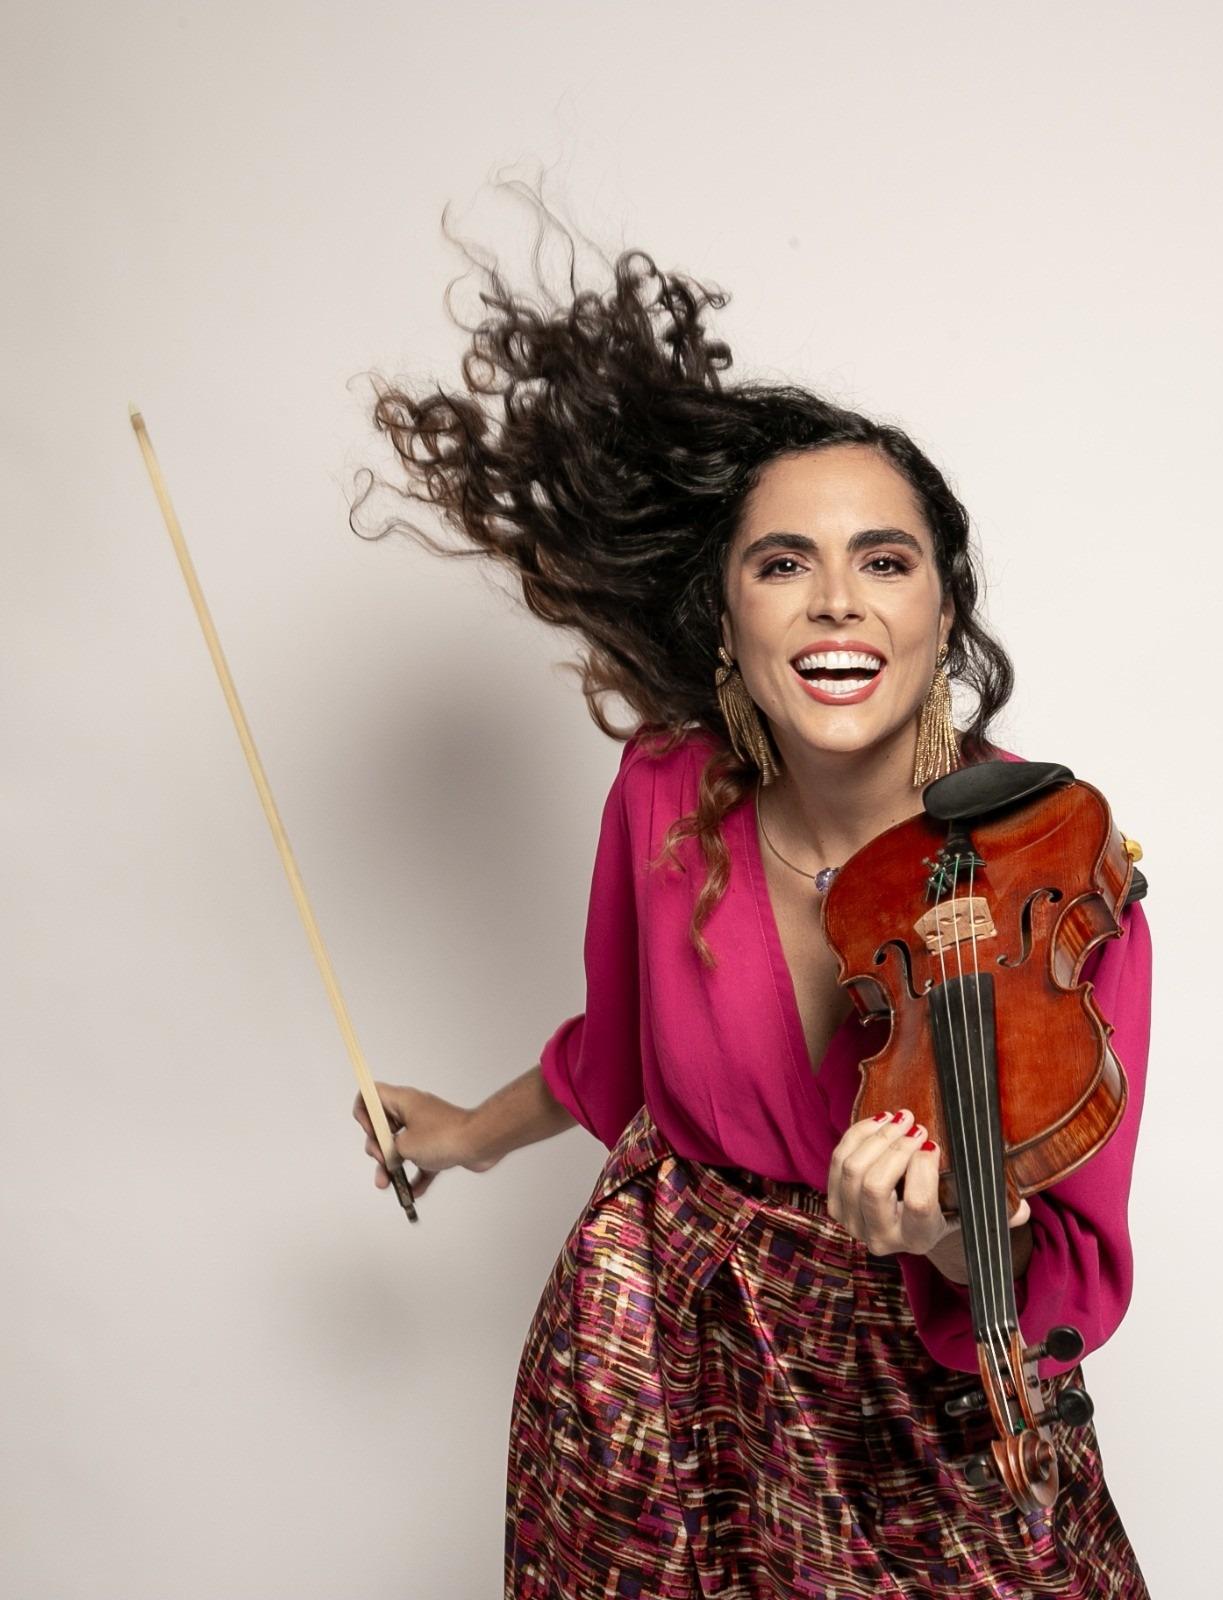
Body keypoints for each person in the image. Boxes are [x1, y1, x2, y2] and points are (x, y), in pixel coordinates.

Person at [350, 197, 1153, 1599]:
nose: (836, 602)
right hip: (663, 1356)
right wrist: (468, 1133)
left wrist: (943, 1231)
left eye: (885, 562)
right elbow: (621, 1057)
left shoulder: (1050, 874)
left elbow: (1068, 1266)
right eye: (784, 564)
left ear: (944, 613)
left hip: (919, 1398)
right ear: (728, 617)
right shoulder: (664, 795)